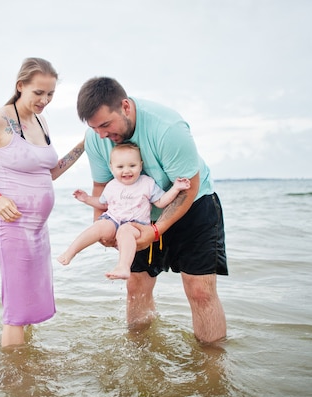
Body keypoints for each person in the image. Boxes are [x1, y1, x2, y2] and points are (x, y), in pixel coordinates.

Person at [76, 76, 228, 343]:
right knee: (136, 287)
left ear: (125, 107)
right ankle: (141, 362)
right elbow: (101, 186)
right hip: (134, 215)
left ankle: (212, 374)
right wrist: (102, 227)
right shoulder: (96, 137)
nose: (101, 135)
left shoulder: (167, 127)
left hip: (193, 205)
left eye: (105, 125)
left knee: (200, 291)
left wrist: (156, 231)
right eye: (94, 128)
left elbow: (188, 188)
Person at [0, 58, 84, 347]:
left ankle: (28, 366)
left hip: (39, 231)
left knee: (27, 305)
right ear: (20, 86)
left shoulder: (41, 121)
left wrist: (83, 146)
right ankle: (15, 380)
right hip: (12, 226)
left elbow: (49, 173)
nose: (44, 100)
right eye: (38, 93)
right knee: (15, 311)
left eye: (50, 94)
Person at [57, 142, 191, 279]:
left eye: (132, 166)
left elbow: (161, 202)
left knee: (125, 230)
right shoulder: (112, 185)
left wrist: (176, 188)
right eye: (120, 167)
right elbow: (103, 204)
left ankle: (123, 266)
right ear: (112, 168)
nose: (126, 171)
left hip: (135, 225)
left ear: (141, 165)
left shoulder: (147, 183)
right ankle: (71, 251)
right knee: (99, 226)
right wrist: (86, 199)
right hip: (113, 220)